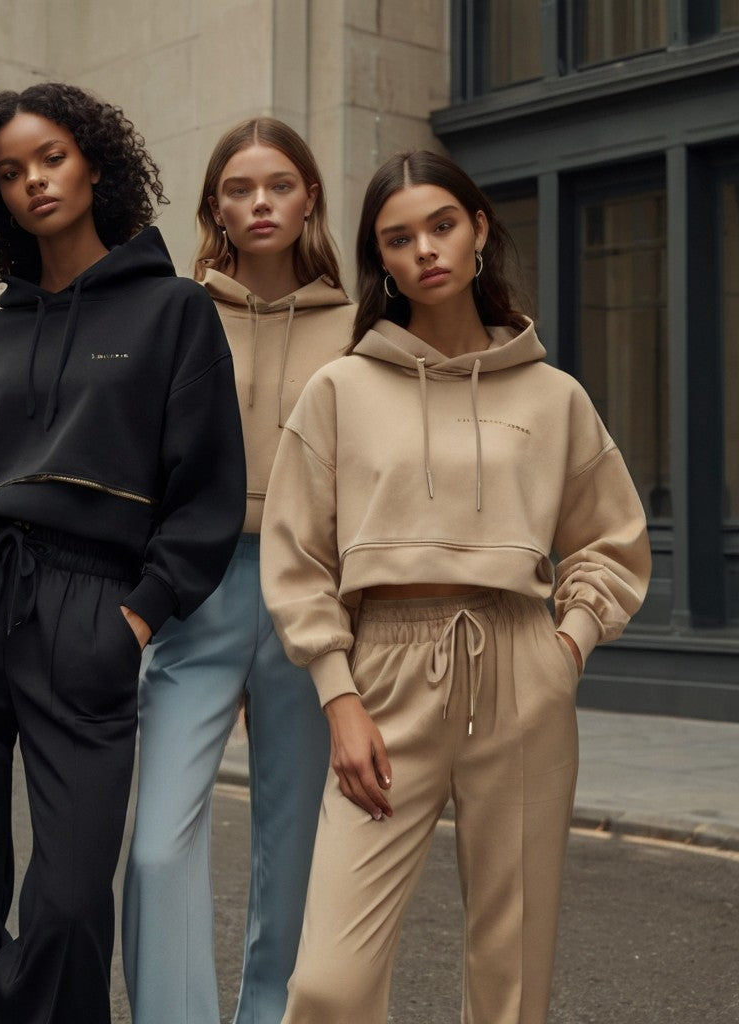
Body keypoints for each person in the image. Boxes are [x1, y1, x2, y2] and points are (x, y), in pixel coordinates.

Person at [0, 82, 246, 1024]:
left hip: (88, 609)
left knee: (72, 899)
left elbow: (205, 490)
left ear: (94, 165)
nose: (34, 181)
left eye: (51, 158)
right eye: (9, 172)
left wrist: (138, 614)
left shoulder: (175, 314)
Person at [260, 150, 651, 1024]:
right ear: (382, 262)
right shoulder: (339, 389)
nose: (424, 251)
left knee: (511, 976)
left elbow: (611, 540)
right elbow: (296, 558)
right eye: (398, 239)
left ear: (479, 229)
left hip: (521, 663)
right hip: (385, 673)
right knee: (329, 981)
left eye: (442, 225)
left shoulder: (554, 397)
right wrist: (338, 695)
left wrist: (567, 647)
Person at [121, 117, 352, 1024]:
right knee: (157, 847)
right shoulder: (177, 312)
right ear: (215, 206)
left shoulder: (358, 324)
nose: (261, 203)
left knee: (292, 848)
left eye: (280, 185)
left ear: (309, 199)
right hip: (197, 590)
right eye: (240, 188)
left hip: (313, 595)